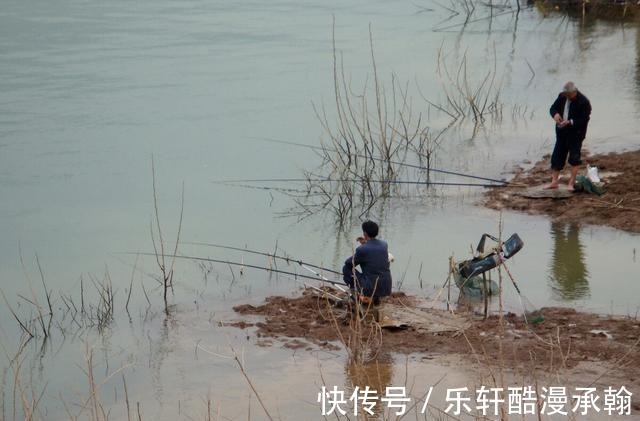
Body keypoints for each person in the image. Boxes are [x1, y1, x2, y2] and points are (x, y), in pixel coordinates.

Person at [547, 81, 592, 189]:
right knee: (557, 157)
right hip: (561, 132)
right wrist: (555, 114)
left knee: (574, 158)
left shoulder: (584, 102)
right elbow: (553, 108)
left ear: (574, 92)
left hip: (576, 134)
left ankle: (571, 183)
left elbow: (584, 119)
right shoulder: (562, 96)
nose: (567, 97)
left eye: (569, 95)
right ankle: (554, 182)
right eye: (565, 95)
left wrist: (570, 122)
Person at [342, 220, 392, 303]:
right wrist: (366, 243)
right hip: (386, 288)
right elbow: (374, 252)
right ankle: (375, 298)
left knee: (346, 268)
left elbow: (348, 263)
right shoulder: (384, 244)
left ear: (365, 233)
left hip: (371, 289)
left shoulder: (362, 249)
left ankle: (357, 293)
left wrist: (364, 246)